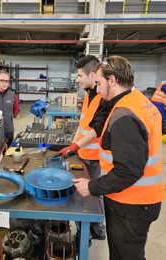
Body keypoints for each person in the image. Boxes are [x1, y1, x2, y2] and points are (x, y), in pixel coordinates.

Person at [73, 55, 164, 260]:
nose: (97, 89)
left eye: (99, 83)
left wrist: (91, 187)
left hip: (132, 204)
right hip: (139, 200)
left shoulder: (125, 115)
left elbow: (127, 171)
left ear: (112, 80)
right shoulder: (137, 100)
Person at [59, 55, 107, 240]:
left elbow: (97, 129)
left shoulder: (102, 98)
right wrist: (73, 144)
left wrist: (75, 145)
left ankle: (97, 229)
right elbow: (83, 123)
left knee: (94, 193)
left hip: (95, 157)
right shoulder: (88, 94)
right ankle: (85, 229)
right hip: (82, 153)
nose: (77, 80)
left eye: (79, 75)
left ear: (92, 75)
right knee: (81, 193)